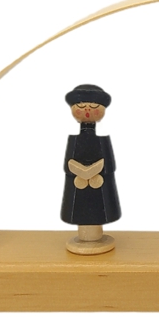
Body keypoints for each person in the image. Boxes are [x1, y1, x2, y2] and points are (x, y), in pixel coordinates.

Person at [61, 84, 120, 254]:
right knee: (79, 205)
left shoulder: (102, 141)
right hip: (78, 181)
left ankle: (93, 236)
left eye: (94, 106)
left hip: (98, 181)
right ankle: (87, 236)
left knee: (99, 205)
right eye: (81, 106)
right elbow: (68, 164)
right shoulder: (74, 141)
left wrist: (93, 171)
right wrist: (80, 171)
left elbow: (109, 164)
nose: (87, 110)